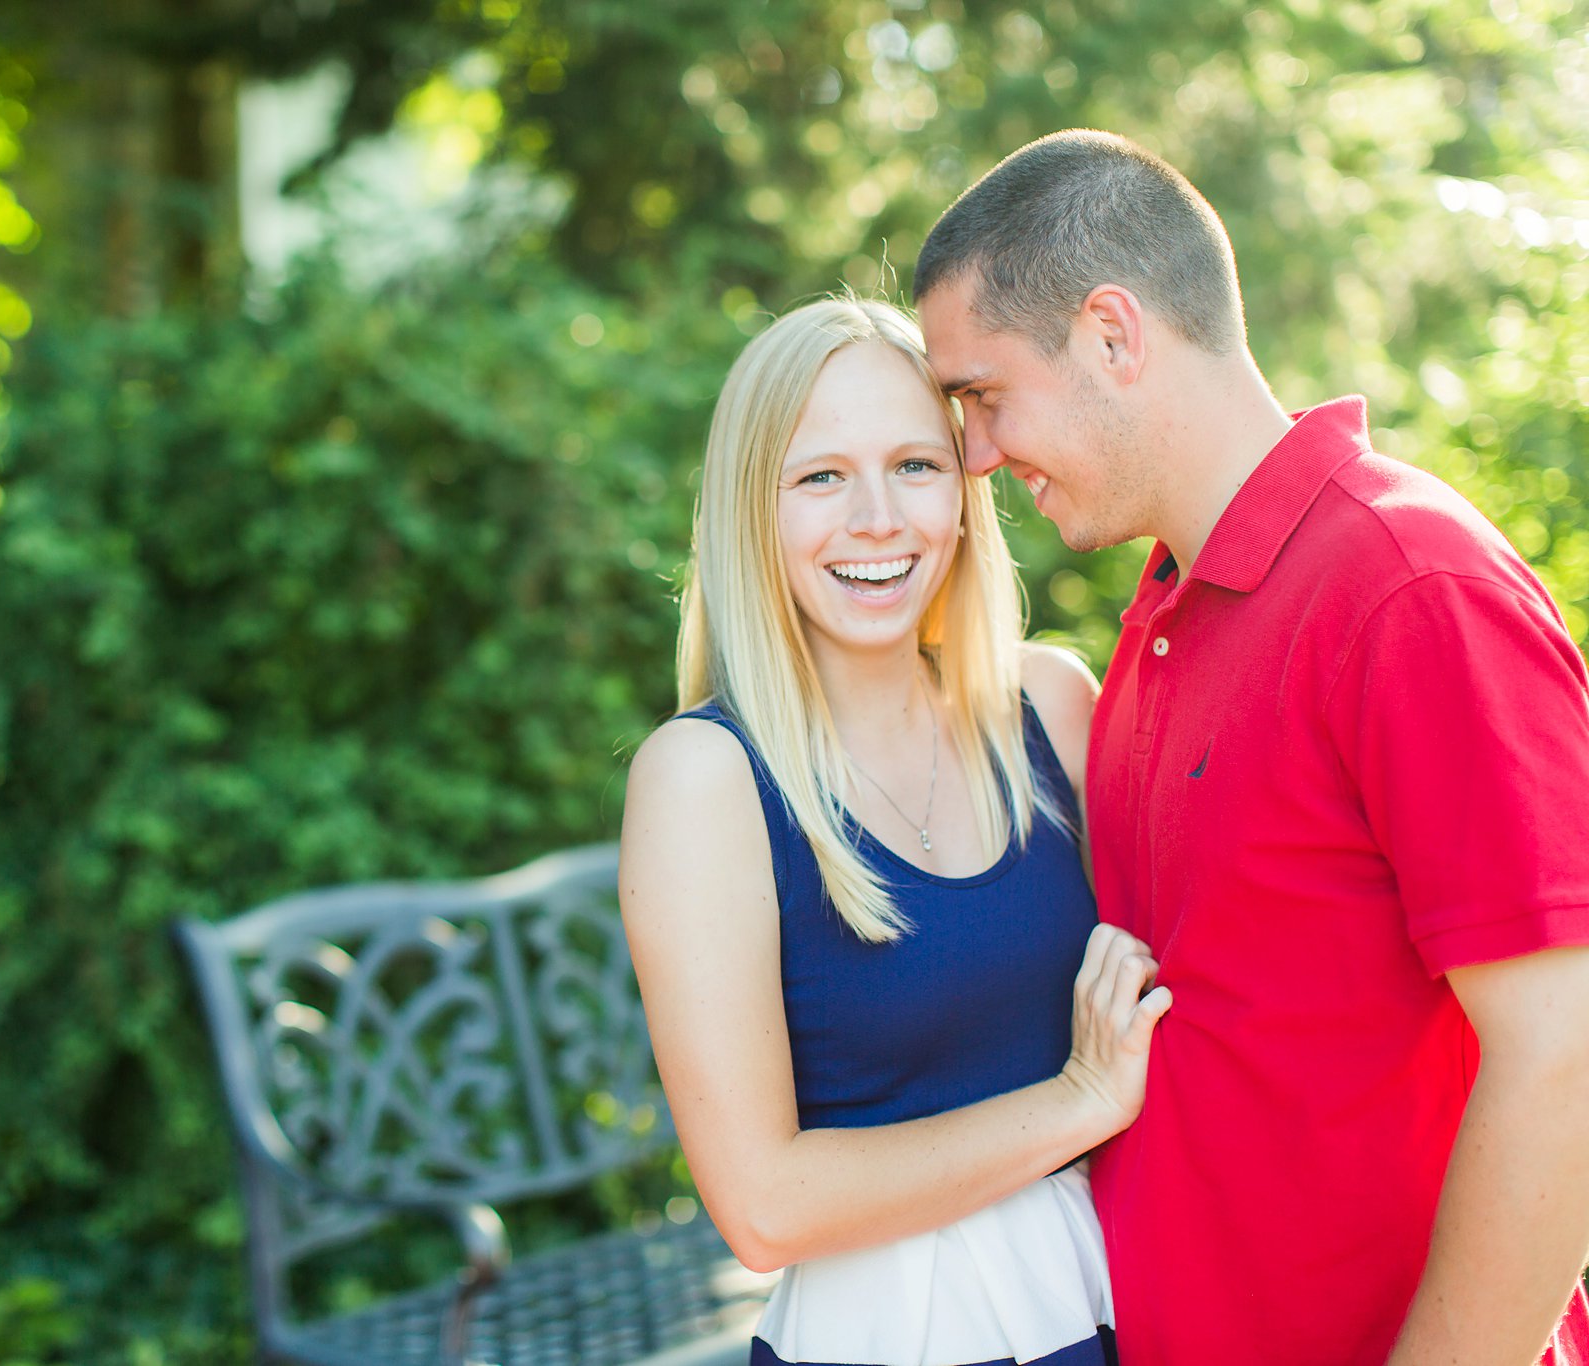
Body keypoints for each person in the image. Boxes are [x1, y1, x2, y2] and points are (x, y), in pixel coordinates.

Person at [912, 129, 1589, 1366]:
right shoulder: (1162, 619)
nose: (974, 457)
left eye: (981, 396)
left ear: (1111, 334)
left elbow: (1565, 1052)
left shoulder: (1403, 584)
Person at [619, 295, 1172, 1366]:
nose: (875, 517)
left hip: (1112, 1304)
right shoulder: (703, 780)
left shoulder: (1051, 707)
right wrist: (1076, 1103)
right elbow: (764, 1207)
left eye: (914, 466)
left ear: (965, 493)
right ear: (750, 511)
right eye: (818, 476)